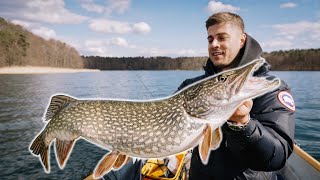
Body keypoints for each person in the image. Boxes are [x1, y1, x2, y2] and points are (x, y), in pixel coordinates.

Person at [177, 12, 296, 179]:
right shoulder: (189, 88)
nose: (214, 44)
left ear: (242, 40)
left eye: (222, 37)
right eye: (210, 39)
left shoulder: (271, 89)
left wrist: (243, 124)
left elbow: (277, 156)